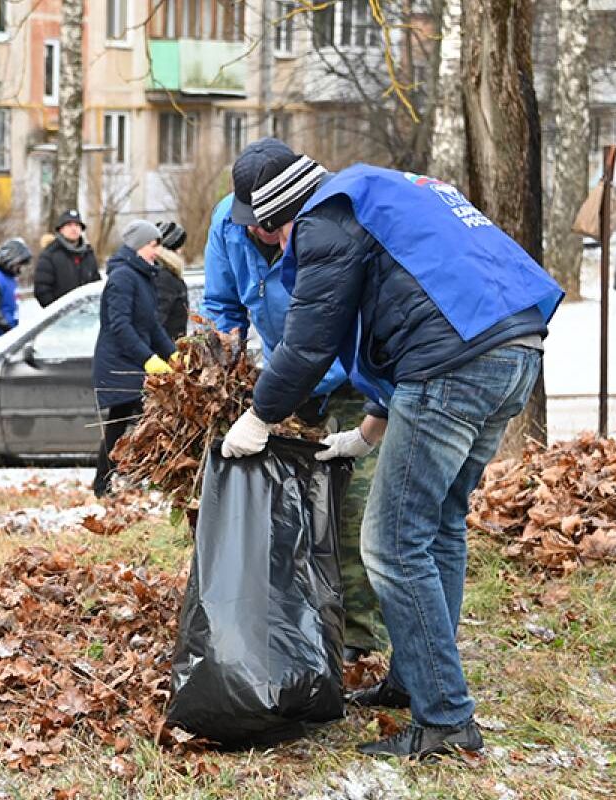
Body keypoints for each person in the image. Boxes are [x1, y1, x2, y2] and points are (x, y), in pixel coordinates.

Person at [219, 140, 563, 758]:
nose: (267, 244)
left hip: (455, 367)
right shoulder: (372, 196)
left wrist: (259, 417)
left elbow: (309, 342)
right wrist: (370, 428)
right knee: (438, 528)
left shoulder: (323, 221)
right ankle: (415, 679)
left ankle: (447, 719)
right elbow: (419, 308)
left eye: (263, 232)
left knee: (391, 543)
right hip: (515, 350)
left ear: (274, 217)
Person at [204, 137, 386, 664]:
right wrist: (221, 364)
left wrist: (276, 396)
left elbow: (326, 331)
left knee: (350, 511)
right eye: (249, 222)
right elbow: (222, 304)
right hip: (283, 385)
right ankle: (290, 623)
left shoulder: (320, 225)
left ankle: (358, 639)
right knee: (285, 507)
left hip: (352, 378)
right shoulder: (228, 223)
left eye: (264, 221)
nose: (256, 231)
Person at [91, 220, 177, 497]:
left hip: (132, 361)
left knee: (129, 424)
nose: (157, 251)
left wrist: (173, 354)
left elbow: (151, 325)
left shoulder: (143, 276)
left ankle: (107, 483)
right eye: (154, 245)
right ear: (139, 246)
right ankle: (109, 483)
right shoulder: (123, 278)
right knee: (132, 423)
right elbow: (120, 326)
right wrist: (148, 359)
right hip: (118, 364)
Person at [34, 209, 101, 307]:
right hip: (61, 317)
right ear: (61, 229)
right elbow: (42, 289)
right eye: (69, 225)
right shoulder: (50, 254)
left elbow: (95, 285)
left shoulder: (88, 254)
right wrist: (58, 313)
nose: (74, 229)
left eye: (77, 225)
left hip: (87, 315)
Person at [154, 220, 189, 341]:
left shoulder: (167, 274)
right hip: (166, 353)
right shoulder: (164, 278)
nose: (182, 251)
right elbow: (157, 323)